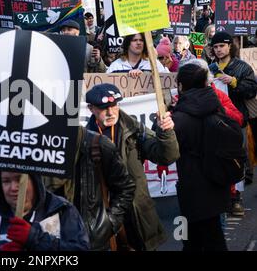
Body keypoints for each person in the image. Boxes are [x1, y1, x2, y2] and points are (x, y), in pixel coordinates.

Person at [85, 83, 180, 250]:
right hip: (104, 216)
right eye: (103, 107)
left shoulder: (135, 130)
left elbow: (166, 157)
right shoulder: (85, 139)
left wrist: (166, 133)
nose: (110, 112)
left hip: (137, 214)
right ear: (91, 108)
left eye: (114, 105)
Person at [172, 62, 232, 251]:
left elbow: (166, 150)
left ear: (181, 86)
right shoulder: (214, 105)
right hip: (217, 183)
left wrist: (162, 126)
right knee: (211, 236)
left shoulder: (180, 118)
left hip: (194, 188)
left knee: (199, 239)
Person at [44, 126, 135, 251]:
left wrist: (108, 224)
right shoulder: (37, 149)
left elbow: (125, 188)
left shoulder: (99, 144)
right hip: (52, 242)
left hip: (94, 244)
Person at [0, 171, 90, 251]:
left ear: (35, 180)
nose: (13, 188)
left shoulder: (61, 210)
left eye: (19, 179)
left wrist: (34, 238)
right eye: (6, 181)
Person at [209, 31, 257, 186]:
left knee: (239, 151)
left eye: (222, 45)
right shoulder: (209, 68)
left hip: (238, 117)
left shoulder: (243, 67)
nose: (218, 49)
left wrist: (235, 82)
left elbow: (252, 90)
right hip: (216, 118)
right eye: (215, 46)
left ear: (230, 46)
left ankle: (243, 181)